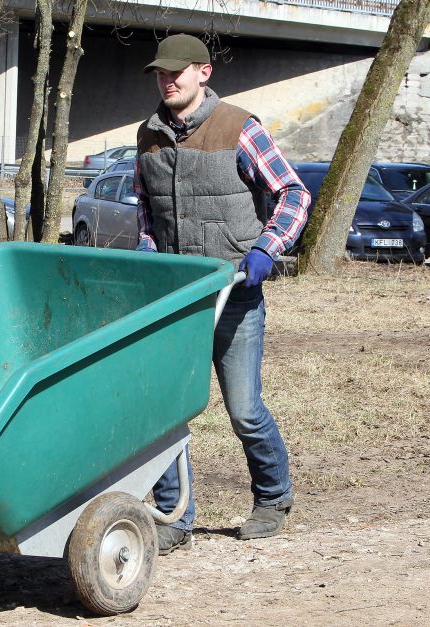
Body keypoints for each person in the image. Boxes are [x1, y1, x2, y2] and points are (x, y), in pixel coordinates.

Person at [135, 33, 311, 553]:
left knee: (244, 409)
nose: (168, 80)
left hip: (234, 293)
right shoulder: (147, 136)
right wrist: (147, 249)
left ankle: (273, 496)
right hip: (175, 298)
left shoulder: (241, 128)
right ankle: (175, 515)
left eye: (178, 72)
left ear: (203, 73)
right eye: (162, 73)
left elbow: (293, 193)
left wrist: (266, 248)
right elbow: (146, 206)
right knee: (166, 411)